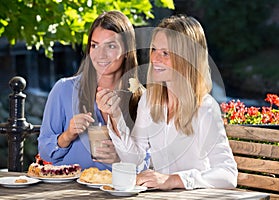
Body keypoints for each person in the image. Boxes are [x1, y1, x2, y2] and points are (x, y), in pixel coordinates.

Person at [107, 14, 238, 189]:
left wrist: (174, 180)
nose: (155, 59)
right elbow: (134, 158)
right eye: (154, 49)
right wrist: (115, 116)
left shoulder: (205, 108)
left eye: (165, 53)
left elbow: (228, 174)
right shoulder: (149, 100)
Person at [38, 10, 143, 170]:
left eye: (111, 46)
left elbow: (147, 162)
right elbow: (45, 151)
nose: (100, 54)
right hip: (67, 190)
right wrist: (67, 136)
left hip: (114, 190)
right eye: (95, 45)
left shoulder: (141, 97)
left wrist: (121, 157)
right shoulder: (64, 90)